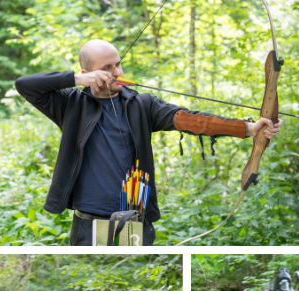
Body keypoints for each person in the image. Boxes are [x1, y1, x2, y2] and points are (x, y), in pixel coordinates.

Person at [14, 40, 281, 245]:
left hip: (134, 219)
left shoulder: (141, 104)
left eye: (117, 64)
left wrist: (247, 128)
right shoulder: (69, 104)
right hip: (88, 223)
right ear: (87, 73)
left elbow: (190, 120)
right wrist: (74, 80)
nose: (117, 72)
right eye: (106, 68)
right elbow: (24, 84)